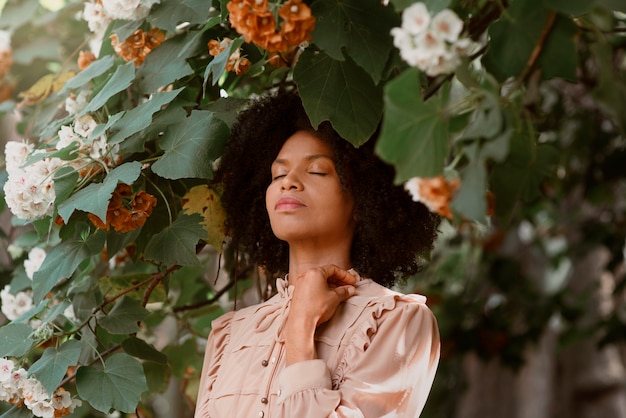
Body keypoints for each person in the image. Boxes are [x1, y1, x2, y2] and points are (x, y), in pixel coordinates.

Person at [194, 89, 441, 417]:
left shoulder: (397, 322)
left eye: (317, 171)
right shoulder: (228, 335)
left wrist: (301, 329)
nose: (288, 183)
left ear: (364, 198)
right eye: (278, 174)